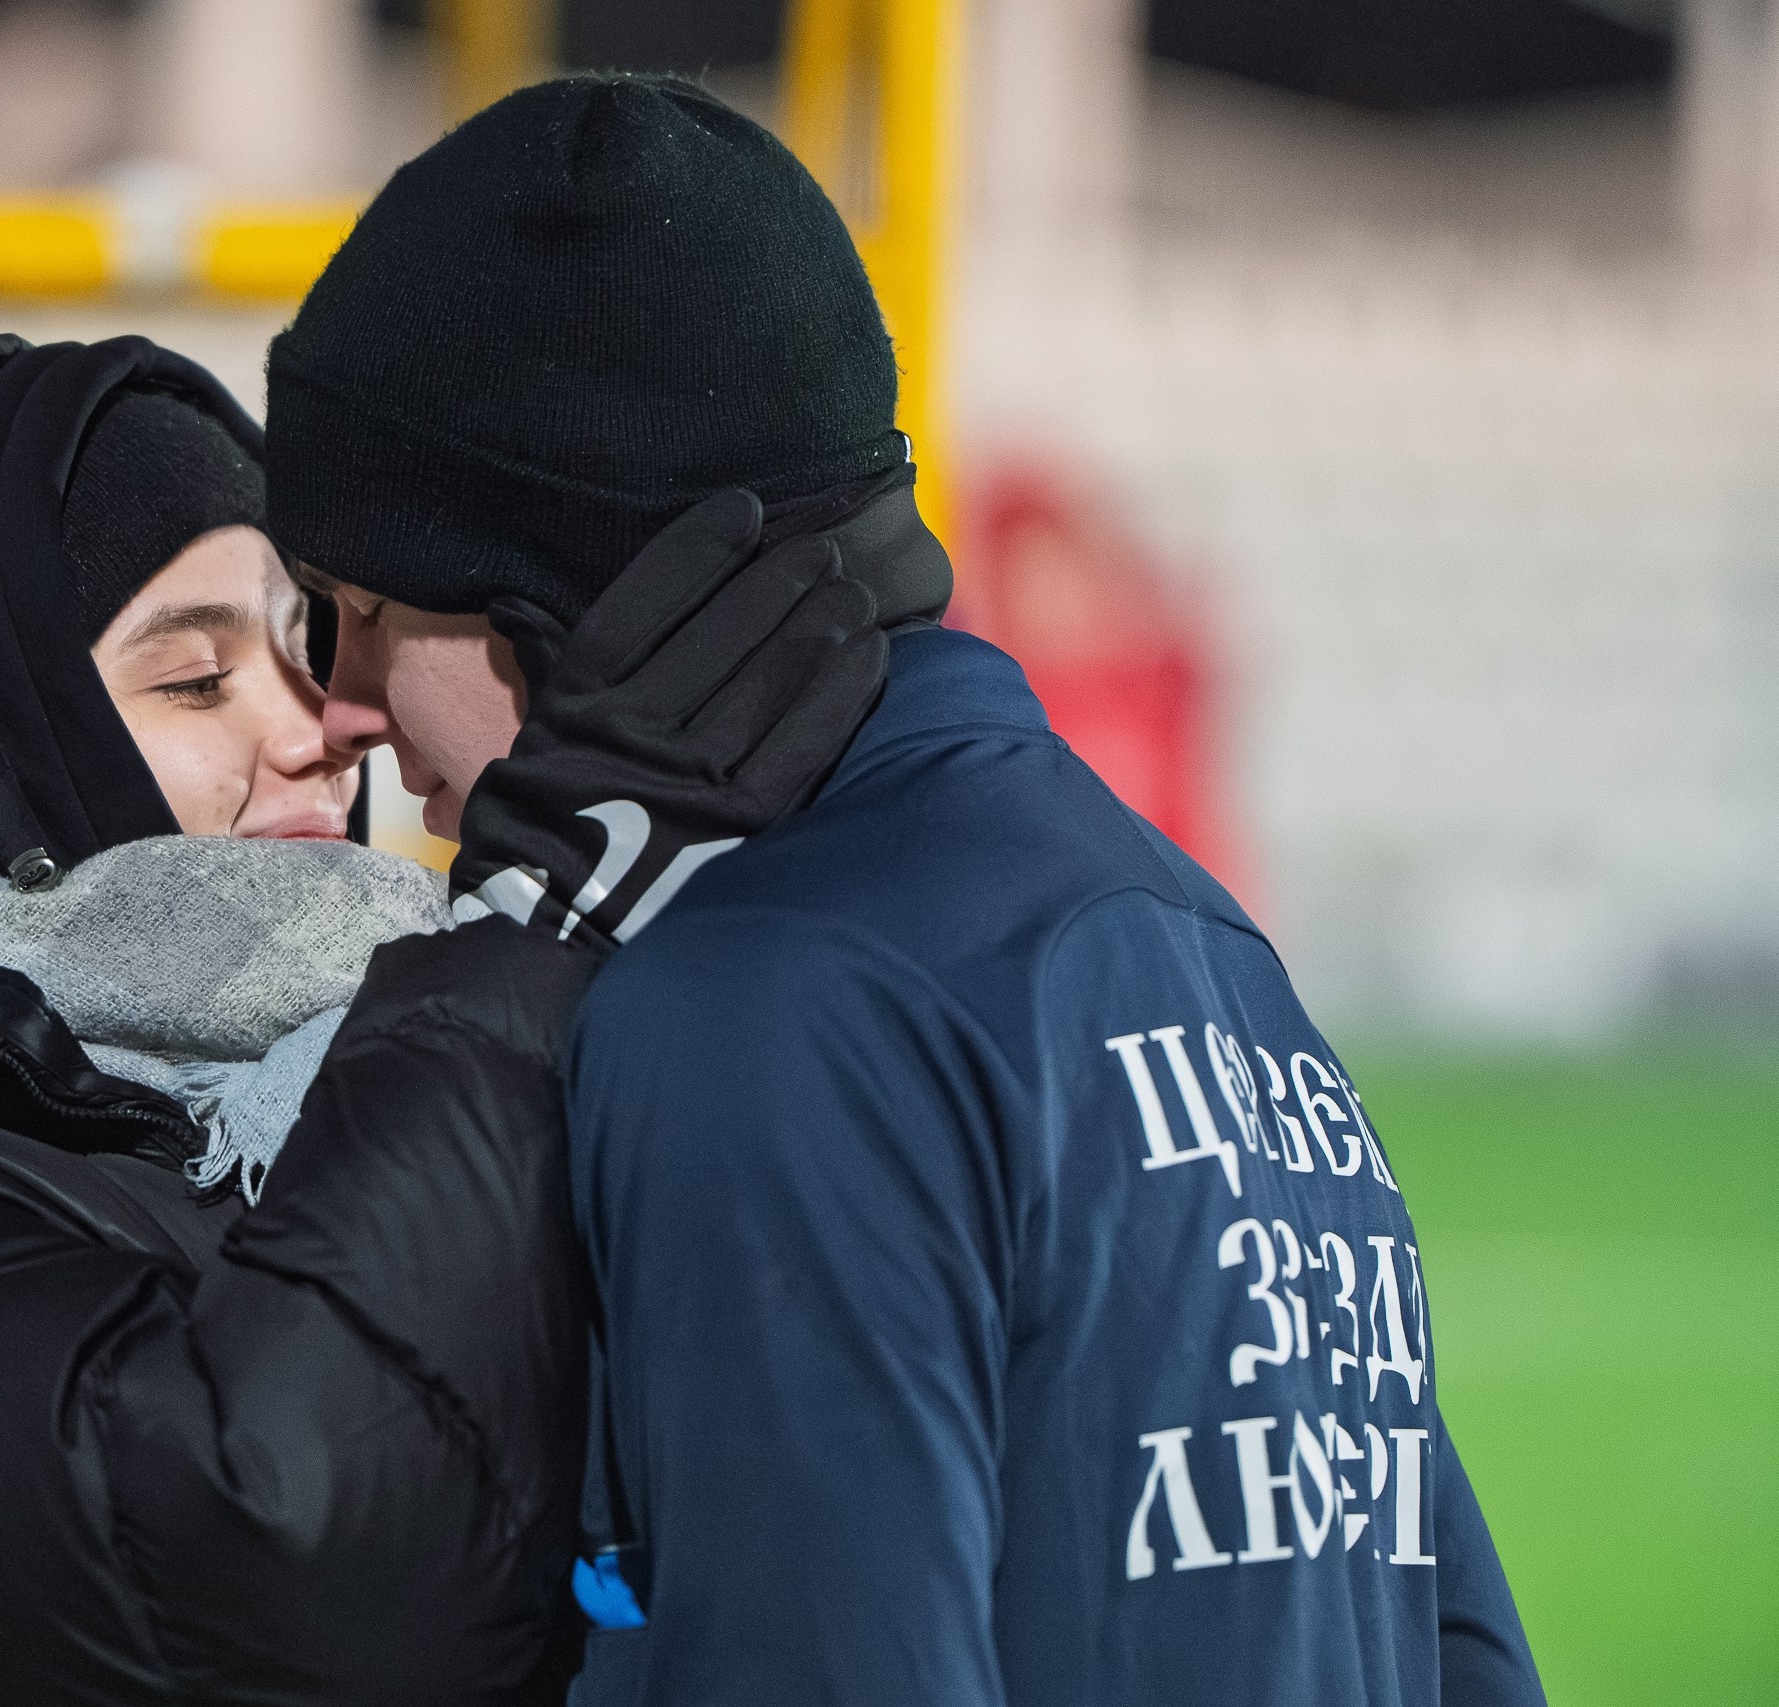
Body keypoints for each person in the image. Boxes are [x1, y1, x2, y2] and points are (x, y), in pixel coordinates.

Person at [266, 76, 1547, 1707]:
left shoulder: (764, 1008)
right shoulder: (1205, 952)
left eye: (358, 611)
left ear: (567, 608)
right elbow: (1472, 1668)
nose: (340, 704)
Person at [0, 330, 879, 1707]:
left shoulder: (283, 1093)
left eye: (308, 643)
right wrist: (542, 937)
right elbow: (277, 1562)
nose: (324, 726)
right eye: (192, 679)